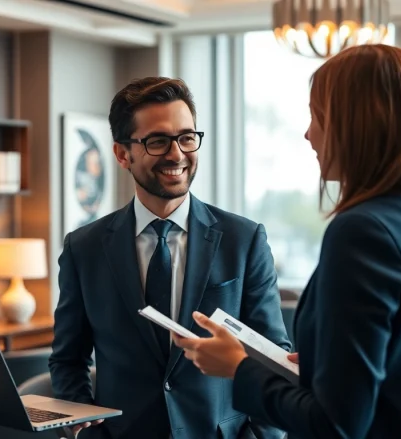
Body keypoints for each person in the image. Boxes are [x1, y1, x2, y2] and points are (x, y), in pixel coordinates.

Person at [173, 44, 401, 439]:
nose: (309, 134)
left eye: (317, 117)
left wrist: (239, 368)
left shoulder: (363, 232)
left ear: (355, 125)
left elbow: (336, 424)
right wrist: (317, 369)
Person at [49, 76, 291, 439]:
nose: (177, 153)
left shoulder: (244, 240)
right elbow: (68, 360)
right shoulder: (84, 248)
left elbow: (273, 358)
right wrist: (82, 431)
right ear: (122, 154)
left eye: (187, 137)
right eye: (158, 141)